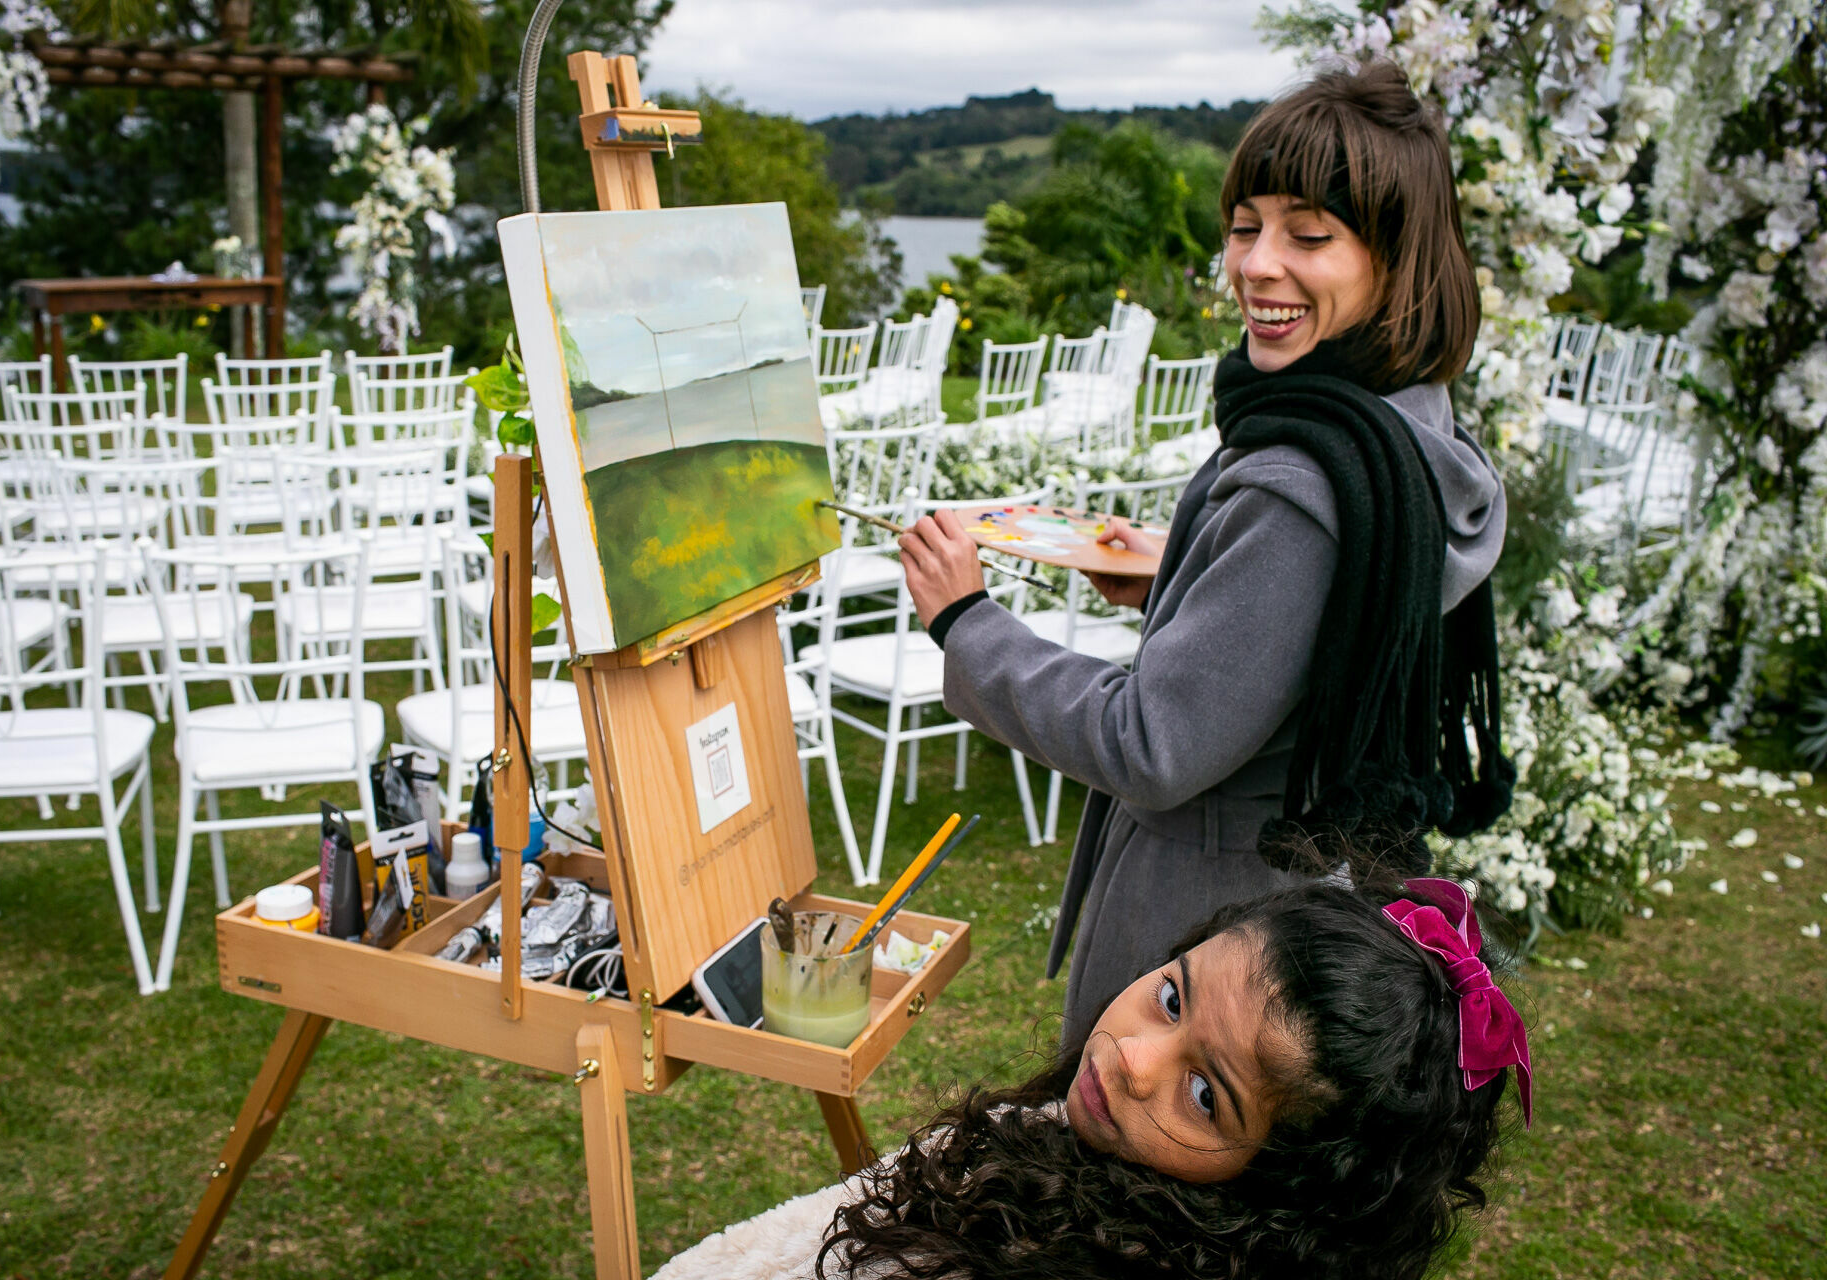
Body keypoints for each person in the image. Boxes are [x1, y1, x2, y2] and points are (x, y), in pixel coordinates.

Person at [898, 58, 1514, 1044]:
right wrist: (1182, 581)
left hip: (1199, 945)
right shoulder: (1405, 432)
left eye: (1310, 235)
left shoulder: (1303, 483)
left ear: (1396, 264)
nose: (1256, 264)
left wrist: (968, 623)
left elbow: (1153, 743)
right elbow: (1300, 651)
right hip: (1297, 913)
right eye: (1245, 226)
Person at [651, 873, 1531, 1280]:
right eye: (1174, 997)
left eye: (1206, 1094)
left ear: (1282, 1190)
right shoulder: (1070, 1154)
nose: (1135, 1058)